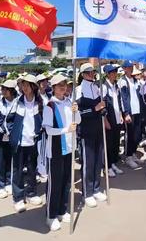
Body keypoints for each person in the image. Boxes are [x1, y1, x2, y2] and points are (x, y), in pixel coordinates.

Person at [43, 74, 81, 231]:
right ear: (53, 88)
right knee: (55, 183)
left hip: (69, 148)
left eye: (64, 84)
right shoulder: (49, 106)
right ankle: (50, 215)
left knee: (66, 181)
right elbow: (48, 130)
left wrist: (76, 111)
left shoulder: (69, 102)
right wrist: (66, 130)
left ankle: (62, 210)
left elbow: (77, 121)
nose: (63, 87)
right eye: (59, 85)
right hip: (56, 150)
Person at [7, 74, 44, 212]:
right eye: (23, 85)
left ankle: (31, 193)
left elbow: (44, 121)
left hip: (33, 142)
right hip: (19, 143)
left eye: (27, 85)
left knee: (31, 169)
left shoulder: (40, 103)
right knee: (17, 170)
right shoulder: (17, 102)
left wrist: (38, 133)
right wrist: (13, 134)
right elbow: (8, 120)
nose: (25, 87)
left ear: (33, 87)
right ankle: (18, 197)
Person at [76, 63, 107, 208]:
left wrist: (102, 111)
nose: (91, 74)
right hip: (86, 131)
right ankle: (86, 193)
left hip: (98, 129)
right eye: (88, 72)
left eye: (92, 72)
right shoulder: (78, 90)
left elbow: (101, 108)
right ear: (82, 74)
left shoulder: (96, 87)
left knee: (98, 160)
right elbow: (78, 114)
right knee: (88, 163)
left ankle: (96, 188)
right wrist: (95, 109)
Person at [0, 79, 18, 199]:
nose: (2, 91)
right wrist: (5, 131)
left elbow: (17, 120)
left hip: (12, 137)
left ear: (11, 91)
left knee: (10, 160)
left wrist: (11, 133)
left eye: (5, 89)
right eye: (2, 88)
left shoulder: (17, 102)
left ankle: (8, 182)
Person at [101, 64, 125, 177]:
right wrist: (105, 120)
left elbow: (118, 102)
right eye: (113, 72)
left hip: (116, 118)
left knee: (116, 142)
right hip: (109, 119)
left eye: (115, 72)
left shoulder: (115, 86)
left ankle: (113, 163)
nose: (115, 74)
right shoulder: (104, 86)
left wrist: (120, 114)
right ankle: (107, 166)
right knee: (109, 144)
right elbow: (103, 105)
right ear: (108, 74)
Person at [118, 61, 142, 170]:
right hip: (130, 112)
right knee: (130, 135)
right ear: (124, 68)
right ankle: (128, 156)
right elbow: (123, 98)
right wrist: (126, 113)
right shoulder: (122, 81)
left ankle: (133, 153)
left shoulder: (136, 80)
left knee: (137, 135)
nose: (130, 69)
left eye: (131, 67)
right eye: (128, 67)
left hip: (137, 111)